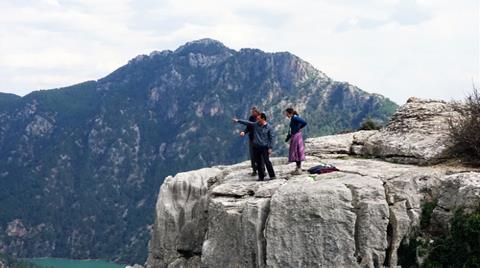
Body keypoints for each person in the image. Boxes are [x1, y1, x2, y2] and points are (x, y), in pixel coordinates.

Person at [233, 113, 276, 181]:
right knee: (258, 162)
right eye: (257, 119)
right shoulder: (255, 124)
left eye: (259, 119)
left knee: (267, 161)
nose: (257, 120)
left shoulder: (269, 127)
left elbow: (272, 138)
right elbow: (247, 123)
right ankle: (261, 177)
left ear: (263, 119)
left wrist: (270, 147)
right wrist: (238, 121)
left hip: (264, 147)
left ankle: (272, 176)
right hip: (256, 147)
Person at [285, 108, 307, 175]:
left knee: (296, 151)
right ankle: (298, 168)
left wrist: (299, 128)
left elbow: (304, 122)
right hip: (295, 135)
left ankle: (299, 169)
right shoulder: (293, 118)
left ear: (290, 113)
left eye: (287, 114)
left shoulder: (295, 118)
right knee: (296, 151)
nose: (286, 115)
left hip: (296, 136)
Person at [240, 107, 260, 176]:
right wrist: (244, 132)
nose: (252, 113)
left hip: (259, 139)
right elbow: (248, 127)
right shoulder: (251, 118)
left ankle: (262, 170)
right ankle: (254, 170)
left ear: (256, 112)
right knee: (252, 155)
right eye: (251, 112)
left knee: (260, 155)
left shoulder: (261, 117)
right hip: (252, 138)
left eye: (253, 112)